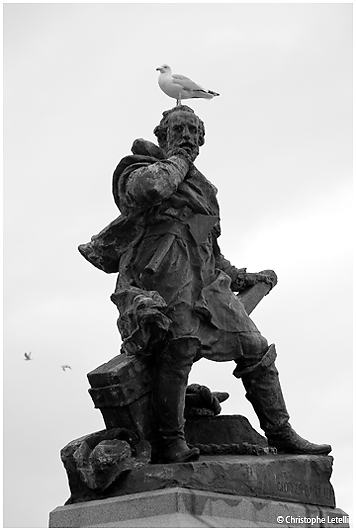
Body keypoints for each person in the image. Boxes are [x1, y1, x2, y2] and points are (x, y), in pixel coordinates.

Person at [80, 105, 331, 464]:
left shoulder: (203, 190)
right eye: (178, 130)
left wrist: (246, 277)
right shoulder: (136, 168)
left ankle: (280, 431)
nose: (186, 138)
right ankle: (171, 441)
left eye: (192, 133)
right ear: (162, 136)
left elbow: (210, 249)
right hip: (161, 272)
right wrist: (180, 159)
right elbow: (153, 188)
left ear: (201, 141)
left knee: (255, 346)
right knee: (179, 347)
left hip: (206, 281)